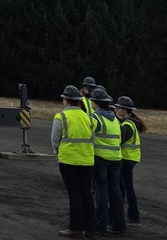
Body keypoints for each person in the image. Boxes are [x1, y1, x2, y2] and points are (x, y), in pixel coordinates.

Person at [51, 84, 95, 238]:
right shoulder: (88, 117)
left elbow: (55, 139)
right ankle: (90, 227)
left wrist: (58, 153)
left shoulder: (61, 116)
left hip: (68, 160)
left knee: (74, 195)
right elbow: (92, 138)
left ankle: (75, 227)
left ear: (67, 100)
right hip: (87, 160)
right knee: (86, 193)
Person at [89, 88, 126, 235]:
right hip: (116, 159)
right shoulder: (115, 119)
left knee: (101, 193)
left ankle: (101, 226)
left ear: (96, 103)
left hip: (100, 159)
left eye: (92, 100)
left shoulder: (95, 118)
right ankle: (119, 226)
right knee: (115, 192)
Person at [114, 96, 146, 226]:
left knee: (126, 187)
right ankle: (123, 214)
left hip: (126, 158)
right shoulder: (130, 123)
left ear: (125, 110)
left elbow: (119, 139)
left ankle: (133, 217)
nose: (116, 109)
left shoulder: (127, 124)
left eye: (118, 107)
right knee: (123, 187)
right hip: (130, 158)